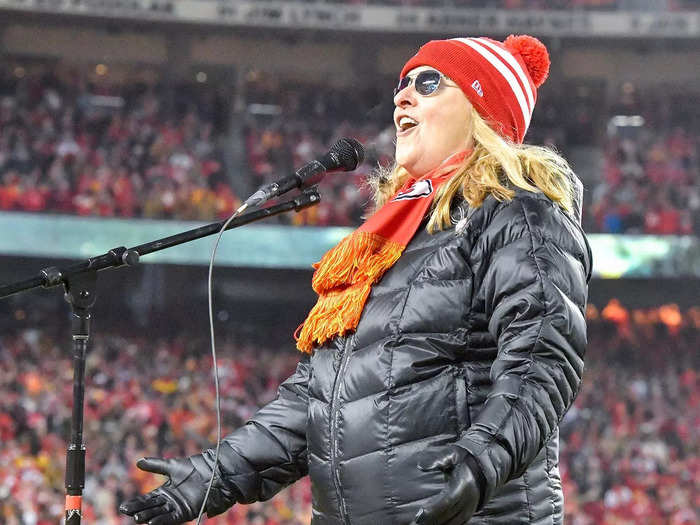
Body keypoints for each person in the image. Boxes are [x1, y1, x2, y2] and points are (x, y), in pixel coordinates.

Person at [120, 34, 592, 525]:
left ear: (482, 108)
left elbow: (541, 354)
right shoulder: (392, 237)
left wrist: (481, 458)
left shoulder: (519, 213)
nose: (402, 96)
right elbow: (318, 397)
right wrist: (214, 474)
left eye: (428, 83)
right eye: (402, 84)